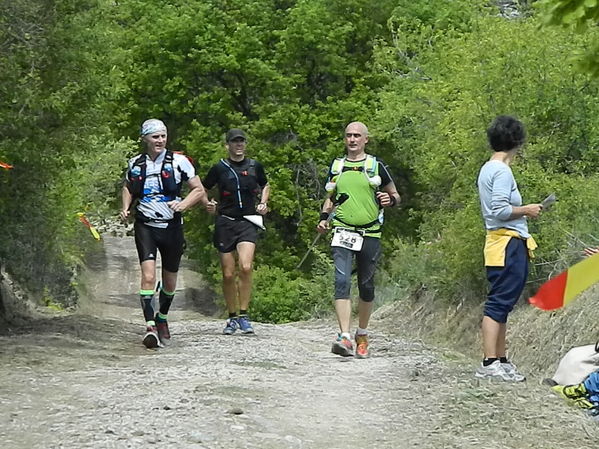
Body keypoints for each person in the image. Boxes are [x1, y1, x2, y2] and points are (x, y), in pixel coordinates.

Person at [120, 119, 208, 348]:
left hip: (171, 226)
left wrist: (184, 205)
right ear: (145, 139)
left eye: (163, 136)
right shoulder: (135, 163)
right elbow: (128, 187)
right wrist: (126, 207)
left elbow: (198, 189)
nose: (159, 141)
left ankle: (162, 318)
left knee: (169, 281)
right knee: (148, 276)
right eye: (155, 137)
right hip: (145, 225)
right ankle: (149, 326)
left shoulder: (179, 162)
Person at [317, 121, 400, 358]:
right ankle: (344, 336)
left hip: (370, 231)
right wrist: (324, 218)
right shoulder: (337, 166)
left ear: (366, 139)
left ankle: (362, 333)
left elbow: (395, 195)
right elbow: (330, 197)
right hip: (342, 229)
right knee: (341, 281)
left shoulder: (376, 166)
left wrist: (389, 200)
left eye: (357, 136)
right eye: (348, 136)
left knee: (366, 285)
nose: (352, 140)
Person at [475, 115, 543, 381]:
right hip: (507, 243)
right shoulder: (501, 171)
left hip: (500, 243)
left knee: (503, 304)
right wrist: (528, 209)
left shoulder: (487, 168)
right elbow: (500, 210)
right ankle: (490, 362)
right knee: (498, 304)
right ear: (517, 142)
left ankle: (501, 360)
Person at [202, 128, 269, 335]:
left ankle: (244, 314)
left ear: (245, 144)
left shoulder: (254, 165)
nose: (239, 145)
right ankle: (232, 317)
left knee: (246, 267)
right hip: (226, 222)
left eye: (241, 142)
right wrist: (208, 204)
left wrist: (264, 203)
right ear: (227, 145)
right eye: (235, 142)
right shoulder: (219, 168)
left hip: (247, 221)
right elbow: (202, 187)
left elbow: (265, 185)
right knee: (228, 273)